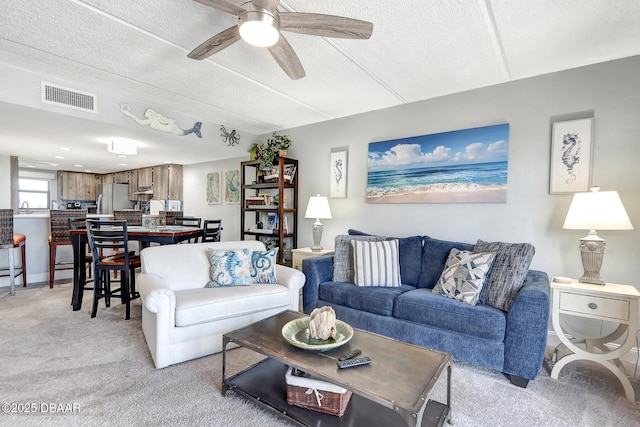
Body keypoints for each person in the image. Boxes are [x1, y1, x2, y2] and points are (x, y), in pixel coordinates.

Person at [120, 103, 202, 138]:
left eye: (147, 112)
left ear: (150, 114)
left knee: (183, 133)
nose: (145, 113)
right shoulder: (152, 120)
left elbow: (140, 122)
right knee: (183, 132)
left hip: (169, 127)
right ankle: (196, 129)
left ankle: (196, 129)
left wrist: (129, 114)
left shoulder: (152, 120)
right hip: (169, 127)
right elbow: (140, 122)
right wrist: (129, 114)